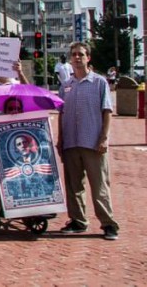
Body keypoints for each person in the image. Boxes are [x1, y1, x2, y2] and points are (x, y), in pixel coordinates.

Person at [56, 42, 119, 241]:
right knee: (74, 186)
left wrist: (104, 138)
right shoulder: (66, 85)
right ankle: (78, 221)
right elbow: (61, 113)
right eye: (73, 54)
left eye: (81, 54)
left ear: (88, 58)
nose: (77, 58)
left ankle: (109, 224)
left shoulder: (99, 83)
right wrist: (60, 138)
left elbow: (107, 111)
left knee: (99, 185)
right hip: (71, 142)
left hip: (92, 142)